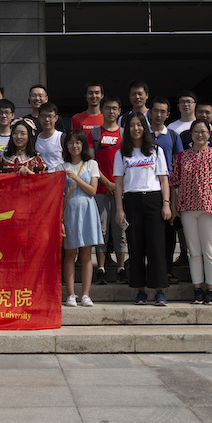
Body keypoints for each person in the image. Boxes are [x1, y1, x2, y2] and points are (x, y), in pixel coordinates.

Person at [114, 112, 171, 306]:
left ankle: (159, 290)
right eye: (132, 125)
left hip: (154, 199)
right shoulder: (122, 153)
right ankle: (140, 290)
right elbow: (119, 184)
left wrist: (166, 203)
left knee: (156, 246)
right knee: (136, 246)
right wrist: (120, 209)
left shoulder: (155, 150)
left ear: (145, 128)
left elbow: (164, 180)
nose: (135, 129)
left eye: (139, 125)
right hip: (132, 201)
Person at [170, 120, 212, 305]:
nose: (200, 135)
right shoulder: (183, 156)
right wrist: (174, 208)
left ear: (209, 134)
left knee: (209, 250)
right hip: (188, 209)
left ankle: (211, 289)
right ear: (191, 134)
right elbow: (174, 182)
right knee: (194, 251)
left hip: (209, 209)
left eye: (203, 131)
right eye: (196, 131)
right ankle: (197, 288)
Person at [61, 130, 104, 308]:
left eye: (78, 142)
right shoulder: (61, 166)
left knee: (86, 255)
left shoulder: (91, 164)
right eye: (71, 143)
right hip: (69, 210)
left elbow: (92, 191)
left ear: (83, 144)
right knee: (70, 254)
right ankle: (71, 294)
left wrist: (76, 178)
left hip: (87, 209)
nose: (74, 146)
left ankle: (86, 294)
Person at [89, 96, 128, 285]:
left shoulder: (125, 134)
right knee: (102, 231)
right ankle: (101, 269)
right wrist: (107, 182)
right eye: (108, 108)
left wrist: (118, 185)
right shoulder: (95, 133)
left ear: (119, 111)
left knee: (120, 230)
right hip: (101, 189)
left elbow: (129, 162)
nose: (111, 111)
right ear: (102, 110)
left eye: (114, 108)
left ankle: (121, 268)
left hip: (122, 191)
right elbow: (92, 162)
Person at [149, 95, 185, 280]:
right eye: (156, 111)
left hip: (168, 189)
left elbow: (179, 164)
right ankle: (151, 269)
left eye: (162, 112)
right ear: (150, 112)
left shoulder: (172, 136)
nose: (158, 115)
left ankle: (167, 269)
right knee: (149, 232)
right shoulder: (142, 134)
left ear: (168, 114)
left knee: (168, 232)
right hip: (147, 189)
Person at [35, 103, 66, 171]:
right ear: (39, 118)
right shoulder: (34, 139)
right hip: (41, 176)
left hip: (59, 176)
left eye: (50, 116)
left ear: (56, 118)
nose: (47, 119)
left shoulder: (62, 138)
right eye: (43, 116)